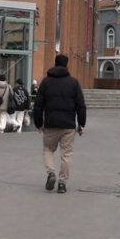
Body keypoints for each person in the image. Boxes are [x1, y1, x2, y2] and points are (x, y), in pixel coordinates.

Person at [34, 54, 86, 194]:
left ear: (55, 63)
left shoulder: (46, 82)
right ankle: (62, 183)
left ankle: (51, 173)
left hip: (50, 124)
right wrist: (81, 124)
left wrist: (38, 123)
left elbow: (38, 105)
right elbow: (81, 105)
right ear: (67, 65)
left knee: (48, 149)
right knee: (66, 153)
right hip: (68, 125)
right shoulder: (74, 83)